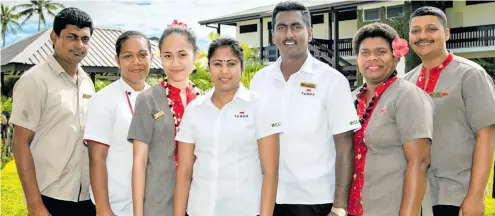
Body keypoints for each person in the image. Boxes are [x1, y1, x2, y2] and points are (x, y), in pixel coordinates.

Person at [249, 1, 361, 216]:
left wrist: (339, 207)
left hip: (315, 200)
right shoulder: (259, 80)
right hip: (267, 198)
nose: (288, 34)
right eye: (281, 27)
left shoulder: (332, 81)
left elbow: (345, 147)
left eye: (296, 26)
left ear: (309, 33)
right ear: (273, 35)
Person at [173, 37, 281, 216]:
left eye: (231, 63)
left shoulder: (259, 106)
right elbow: (184, 172)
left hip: (244, 210)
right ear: (209, 67)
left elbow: (271, 172)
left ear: (242, 67)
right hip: (199, 210)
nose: (224, 71)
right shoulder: (194, 109)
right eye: (217, 64)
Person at [404, 6, 495, 216]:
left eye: (431, 29)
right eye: (415, 31)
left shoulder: (470, 75)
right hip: (415, 197)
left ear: (446, 33)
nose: (422, 36)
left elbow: (487, 135)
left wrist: (475, 196)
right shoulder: (406, 81)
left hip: (455, 195)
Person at [10, 7, 96, 216]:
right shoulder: (34, 81)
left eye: (85, 39)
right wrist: (35, 205)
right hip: (50, 196)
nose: (79, 45)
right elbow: (20, 144)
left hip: (86, 196)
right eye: (72, 37)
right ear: (54, 37)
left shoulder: (87, 83)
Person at [348, 23, 433, 216]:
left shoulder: (408, 96)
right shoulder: (352, 98)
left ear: (396, 57)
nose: (372, 58)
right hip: (355, 208)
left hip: (391, 208)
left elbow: (419, 162)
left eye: (381, 52)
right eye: (365, 53)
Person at [127, 21, 201, 216]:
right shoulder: (147, 99)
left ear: (196, 56)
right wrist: (138, 213)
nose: (175, 63)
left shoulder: (205, 101)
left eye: (182, 54)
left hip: (199, 202)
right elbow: (139, 160)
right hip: (159, 204)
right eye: (168, 56)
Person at [84, 31, 153, 216]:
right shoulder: (103, 100)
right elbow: (96, 158)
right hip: (117, 205)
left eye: (142, 54)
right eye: (128, 56)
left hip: (153, 203)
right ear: (117, 60)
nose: (136, 62)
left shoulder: (158, 98)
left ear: (152, 58)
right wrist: (103, 208)